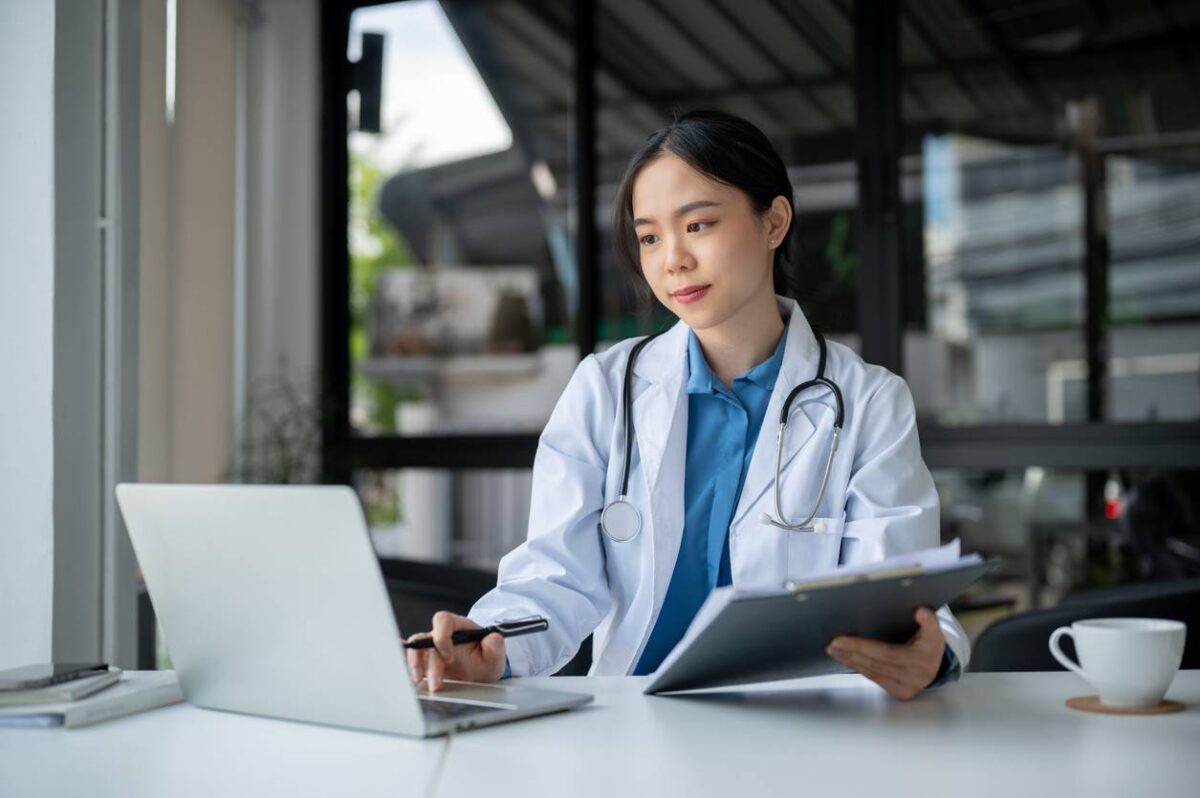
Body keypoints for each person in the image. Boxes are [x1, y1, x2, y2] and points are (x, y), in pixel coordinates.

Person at [406, 108, 968, 700]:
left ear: (774, 221)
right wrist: (493, 645)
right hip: (637, 721)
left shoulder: (868, 401)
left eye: (698, 225)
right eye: (649, 237)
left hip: (803, 722)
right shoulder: (605, 388)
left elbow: (897, 592)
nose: (671, 259)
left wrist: (927, 653)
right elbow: (556, 578)